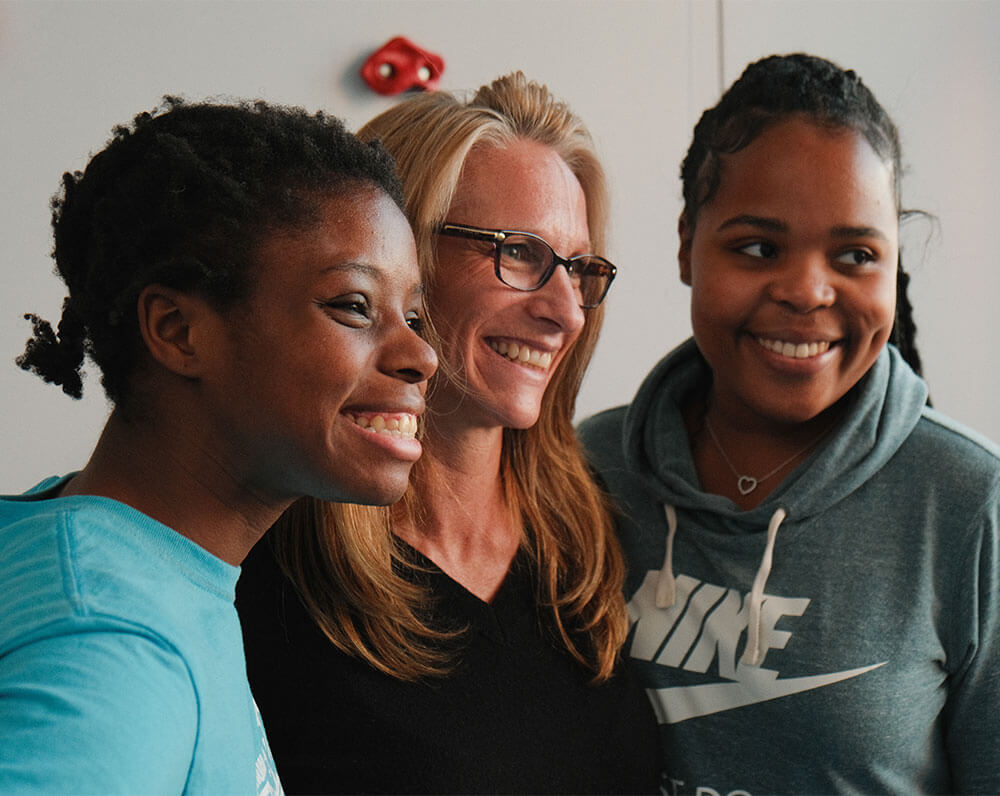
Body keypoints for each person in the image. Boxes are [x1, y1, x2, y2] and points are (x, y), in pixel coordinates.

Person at [578, 53, 1000, 794]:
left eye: (855, 256)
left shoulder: (970, 504)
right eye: (758, 248)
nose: (808, 291)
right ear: (686, 244)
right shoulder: (587, 470)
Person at [237, 72, 662, 794]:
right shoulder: (267, 567)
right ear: (394, 258)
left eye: (580, 268)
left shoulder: (590, 529)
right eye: (520, 252)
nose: (566, 311)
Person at [0, 97, 437, 794]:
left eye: (412, 315)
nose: (421, 354)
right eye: (354, 305)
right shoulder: (116, 649)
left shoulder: (90, 551)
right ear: (177, 330)